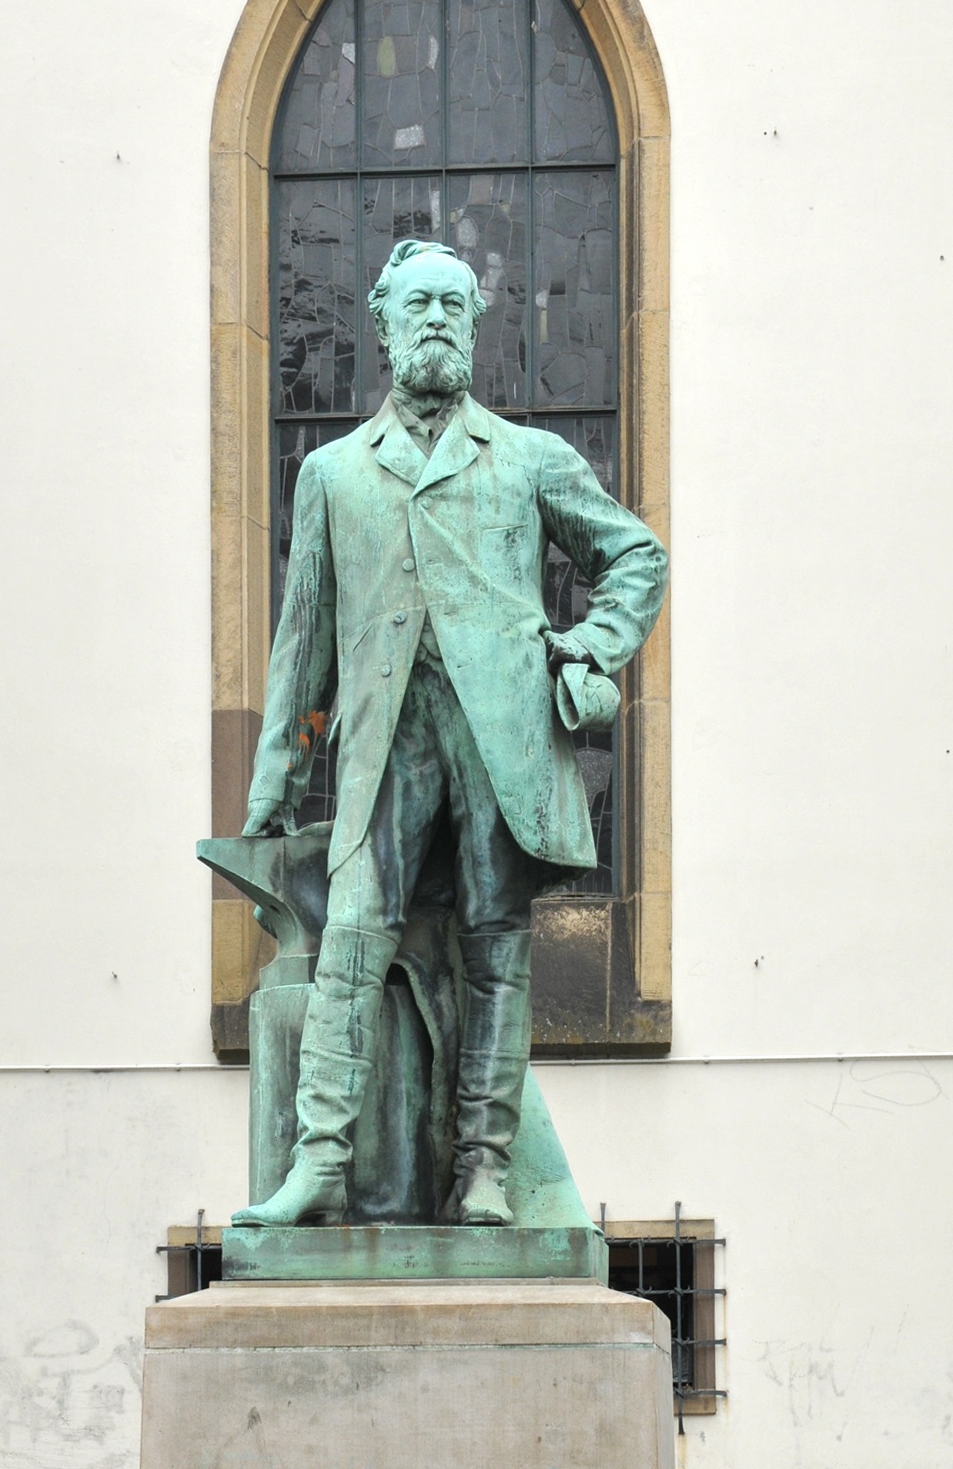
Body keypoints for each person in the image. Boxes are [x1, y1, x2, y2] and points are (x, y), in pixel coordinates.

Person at [234, 238, 666, 1228]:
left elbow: (636, 554)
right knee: (351, 936)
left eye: (452, 306)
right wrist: (274, 786)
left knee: (495, 950)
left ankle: (482, 1165)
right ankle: (321, 1164)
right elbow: (304, 654)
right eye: (417, 305)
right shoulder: (336, 473)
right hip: (386, 743)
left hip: (499, 742)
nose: (435, 319)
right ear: (383, 326)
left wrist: (592, 648)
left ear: (475, 326)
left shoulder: (526, 456)